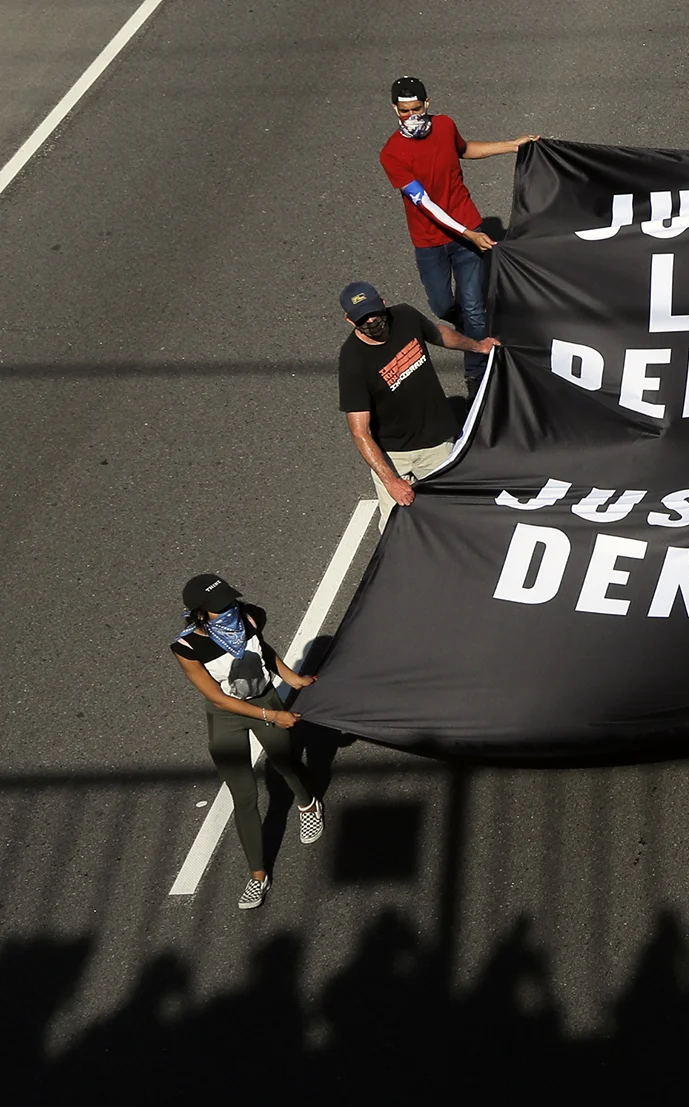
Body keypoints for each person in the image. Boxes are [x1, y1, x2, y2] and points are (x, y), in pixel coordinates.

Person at [170, 573, 323, 911]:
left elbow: (263, 651)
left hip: (265, 699)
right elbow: (217, 697)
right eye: (218, 607)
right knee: (244, 795)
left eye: (228, 601)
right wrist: (273, 717)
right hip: (227, 714)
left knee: (284, 761)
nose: (228, 609)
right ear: (198, 613)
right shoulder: (187, 648)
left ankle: (308, 803)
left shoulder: (250, 616)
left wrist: (292, 678)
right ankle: (258, 875)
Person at [379, 75, 537, 393]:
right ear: (394, 110)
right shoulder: (392, 154)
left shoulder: (446, 126)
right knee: (443, 307)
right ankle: (472, 330)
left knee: (474, 307)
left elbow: (464, 150)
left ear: (428, 104)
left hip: (467, 232)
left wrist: (511, 146)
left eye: (417, 109)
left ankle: (477, 374)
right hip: (430, 241)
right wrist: (467, 233)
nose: (412, 117)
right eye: (405, 111)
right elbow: (423, 202)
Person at [338, 281, 497, 526]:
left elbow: (439, 334)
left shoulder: (405, 316)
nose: (371, 321)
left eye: (373, 313)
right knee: (395, 525)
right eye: (362, 319)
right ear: (350, 321)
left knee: (453, 513)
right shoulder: (353, 361)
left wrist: (479, 346)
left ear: (383, 304)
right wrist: (391, 481)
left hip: (437, 443)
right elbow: (360, 431)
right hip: (394, 455)